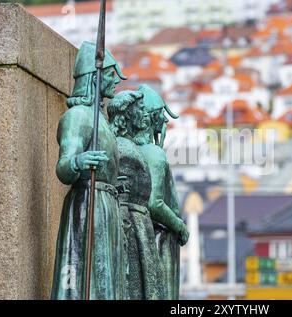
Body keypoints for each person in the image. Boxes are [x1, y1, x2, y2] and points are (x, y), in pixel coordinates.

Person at [51, 41, 127, 300]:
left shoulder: (102, 121)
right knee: (80, 279)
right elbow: (63, 168)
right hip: (87, 207)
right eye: (110, 74)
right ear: (95, 77)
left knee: (107, 283)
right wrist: (78, 162)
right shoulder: (78, 117)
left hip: (106, 208)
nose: (116, 81)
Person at [108, 85, 189, 299]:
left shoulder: (120, 146)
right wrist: (180, 226)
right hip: (155, 236)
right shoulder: (153, 153)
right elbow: (155, 203)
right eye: (161, 120)